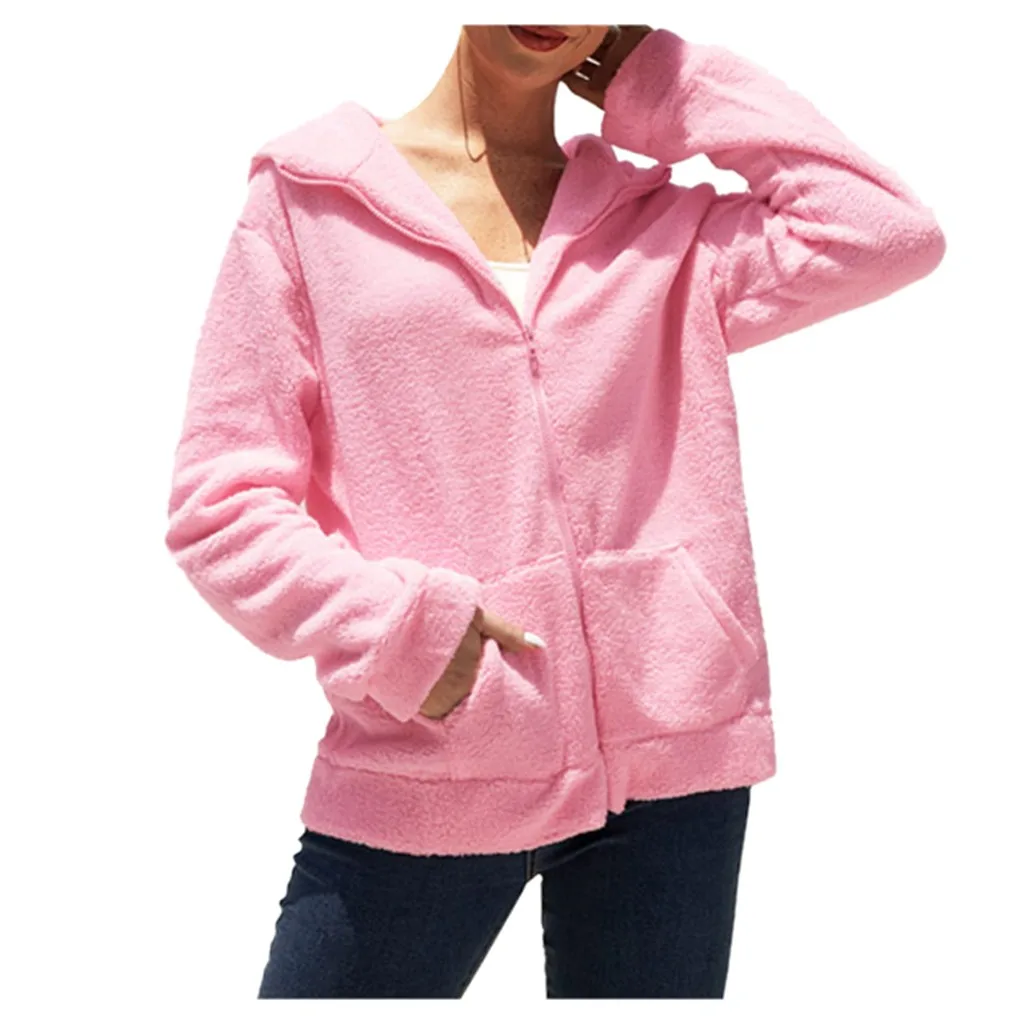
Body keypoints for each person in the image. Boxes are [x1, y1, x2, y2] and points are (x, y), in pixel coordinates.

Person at [164, 24, 946, 998]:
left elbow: (883, 228)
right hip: (436, 754)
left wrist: (665, 81)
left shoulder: (661, 227)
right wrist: (404, 634)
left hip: (673, 775)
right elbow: (220, 503)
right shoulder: (309, 206)